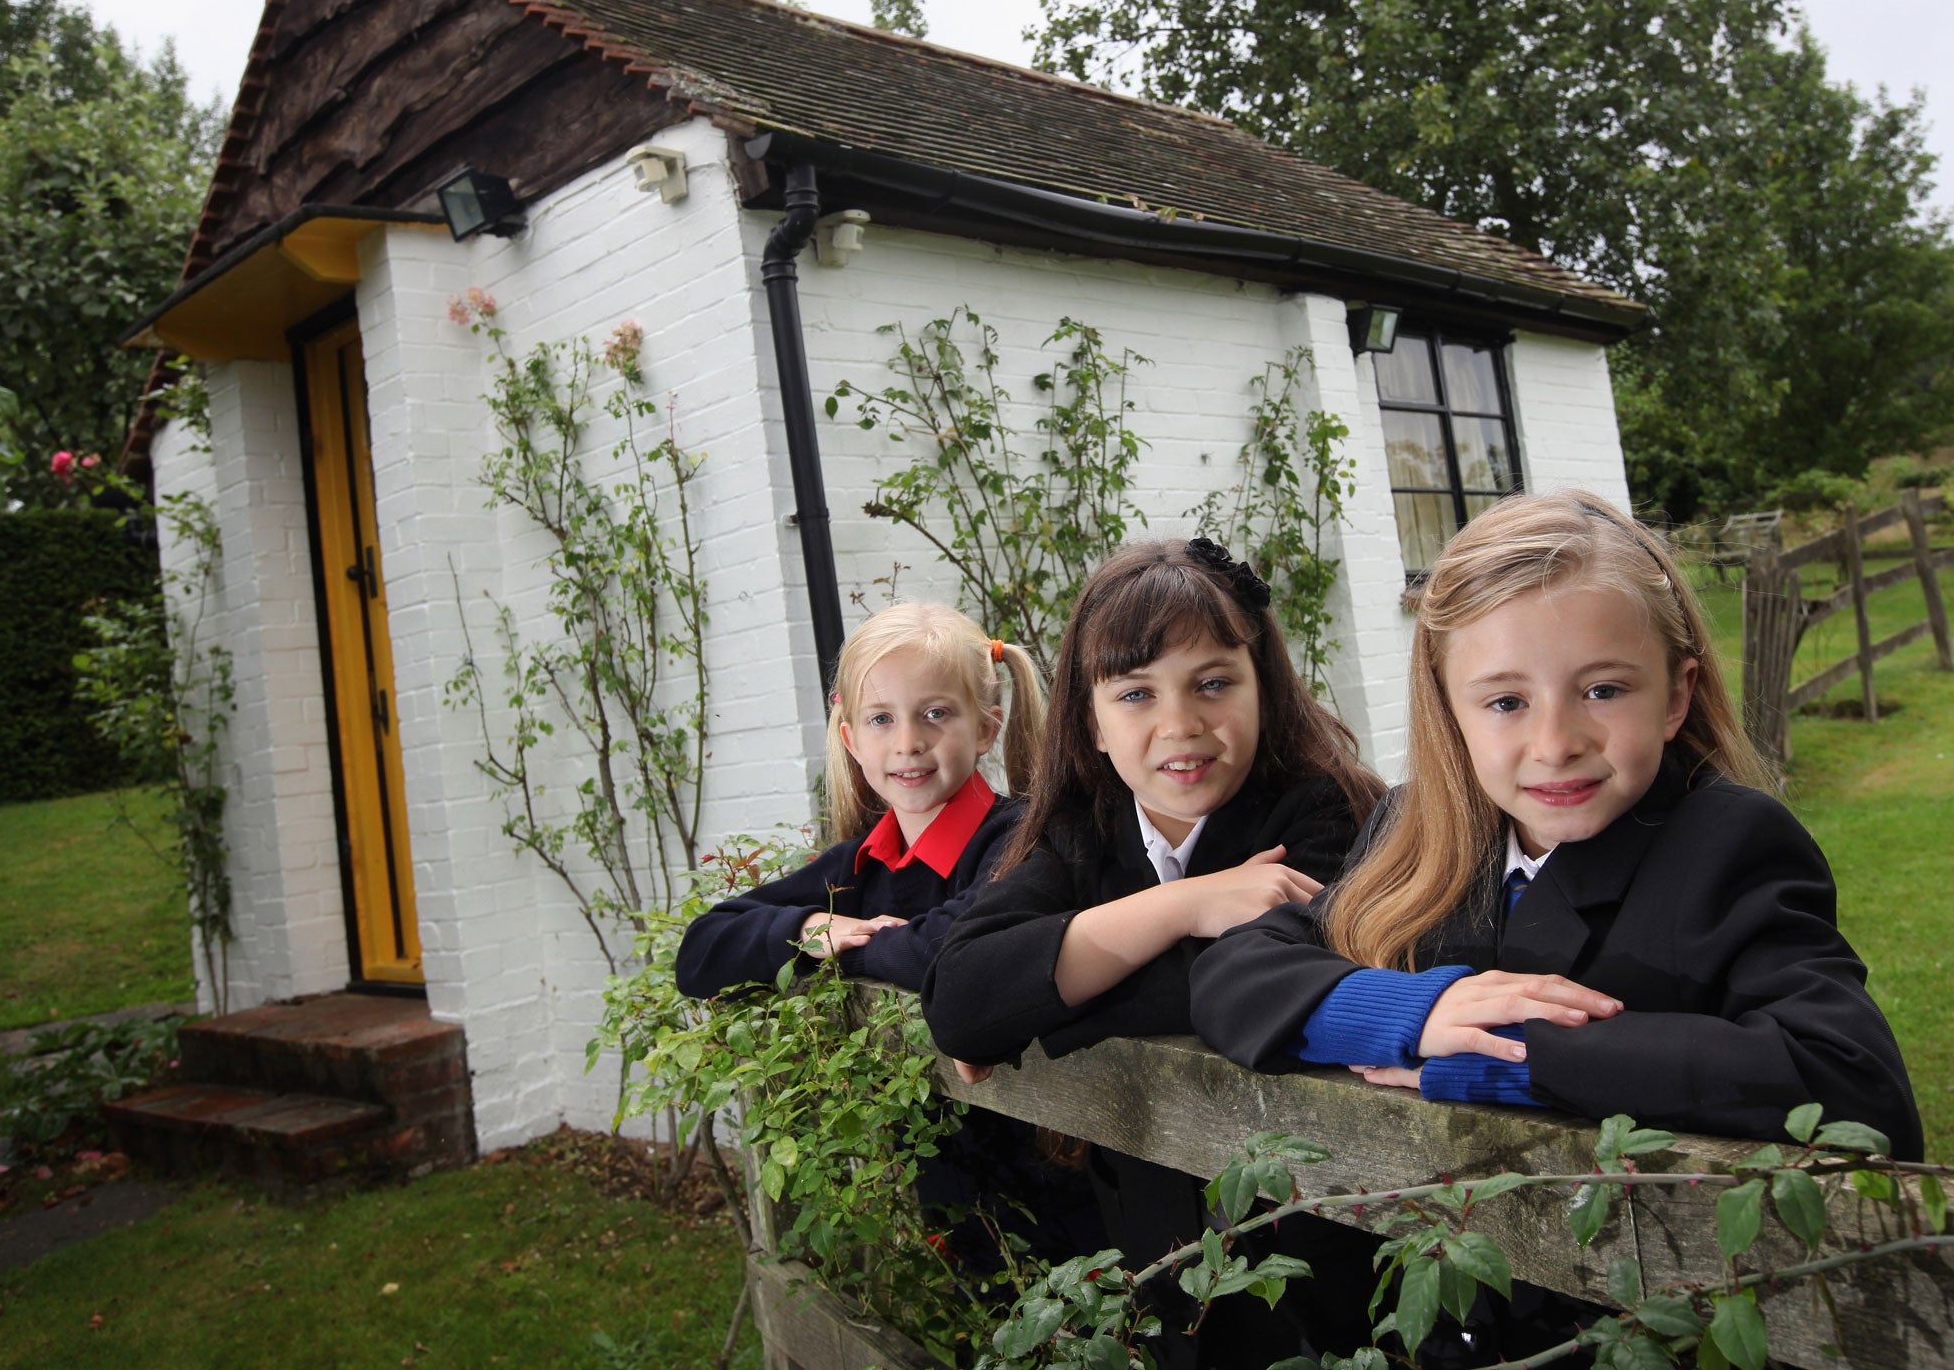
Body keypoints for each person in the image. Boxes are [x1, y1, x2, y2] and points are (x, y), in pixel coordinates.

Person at [1191, 491, 1923, 1163]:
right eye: (1506, 702)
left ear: (1676, 695)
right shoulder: (1419, 826)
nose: (1555, 743)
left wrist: (1515, 1054)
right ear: (1452, 713)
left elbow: (1853, 1080)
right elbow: (1236, 973)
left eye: (1602, 690)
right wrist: (1419, 1012)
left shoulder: (1727, 841)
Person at [920, 537, 1385, 1367]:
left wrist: (1049, 998)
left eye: (1213, 682)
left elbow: (1244, 991)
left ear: (1264, 691)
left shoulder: (1327, 818)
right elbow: (960, 999)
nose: (1181, 724)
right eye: (1136, 693)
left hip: (1322, 1281)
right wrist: (1180, 906)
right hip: (1161, 1274)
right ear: (1090, 722)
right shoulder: (1079, 838)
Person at [677, 602, 1043, 998]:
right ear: (852, 741)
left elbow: (954, 949)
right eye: (881, 720)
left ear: (986, 730)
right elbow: (699, 953)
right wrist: (813, 929)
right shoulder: (857, 866)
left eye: (935, 713)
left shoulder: (1023, 839)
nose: (908, 744)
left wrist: (843, 953)